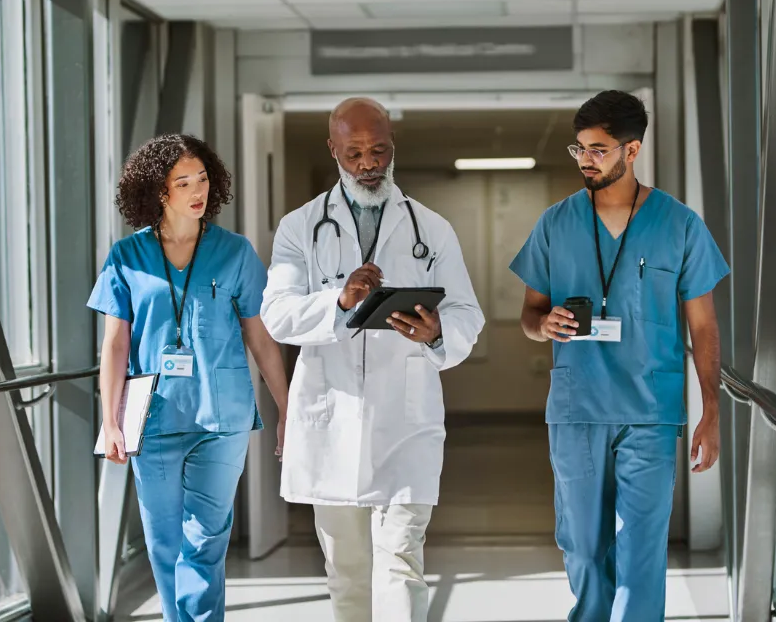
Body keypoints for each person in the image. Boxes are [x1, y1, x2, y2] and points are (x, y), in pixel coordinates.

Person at [261, 98, 485, 621]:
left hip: (405, 421)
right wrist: (338, 300)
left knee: (401, 561)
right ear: (333, 149)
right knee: (347, 572)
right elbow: (277, 315)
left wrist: (436, 333)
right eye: (355, 152)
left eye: (378, 150)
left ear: (392, 147)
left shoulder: (432, 229)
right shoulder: (300, 227)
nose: (368, 163)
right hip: (331, 418)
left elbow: (466, 314)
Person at [510, 91, 729, 621]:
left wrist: (711, 412)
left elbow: (703, 325)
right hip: (577, 407)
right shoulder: (555, 223)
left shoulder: (679, 224)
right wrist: (545, 324)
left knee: (641, 552)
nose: (586, 159)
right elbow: (529, 315)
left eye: (599, 149)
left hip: (650, 412)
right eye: (579, 148)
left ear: (632, 151)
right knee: (583, 547)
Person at [89, 133, 289, 622]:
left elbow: (261, 339)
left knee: (205, 538)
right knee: (164, 541)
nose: (198, 191)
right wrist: (110, 423)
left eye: (202, 179)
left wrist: (288, 409)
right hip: (153, 420)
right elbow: (115, 345)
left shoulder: (235, 253)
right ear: (159, 191)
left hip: (223, 420)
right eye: (184, 182)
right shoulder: (126, 257)